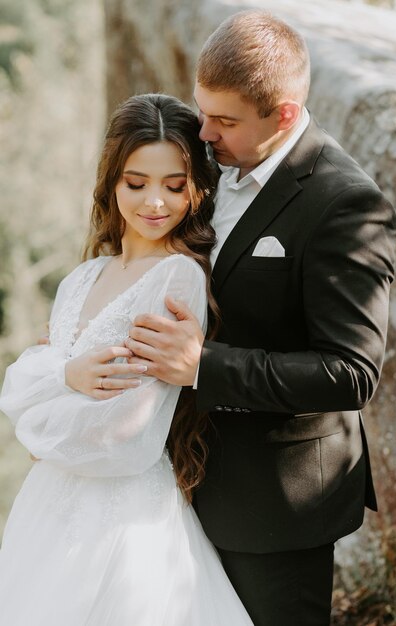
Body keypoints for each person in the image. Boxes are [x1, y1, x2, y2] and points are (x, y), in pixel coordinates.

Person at [64, 10, 396, 626]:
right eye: (202, 111)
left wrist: (203, 365)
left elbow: (351, 373)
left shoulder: (345, 205)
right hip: (167, 484)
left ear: (286, 116)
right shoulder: (207, 168)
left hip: (273, 504)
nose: (205, 134)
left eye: (225, 121)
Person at [0, 93, 254, 626]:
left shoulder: (176, 278)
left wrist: (40, 426)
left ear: (197, 190)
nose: (154, 202)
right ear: (112, 182)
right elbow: (19, 383)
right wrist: (67, 376)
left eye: (174, 185)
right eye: (136, 183)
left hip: (123, 519)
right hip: (48, 507)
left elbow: (125, 433)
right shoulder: (81, 278)